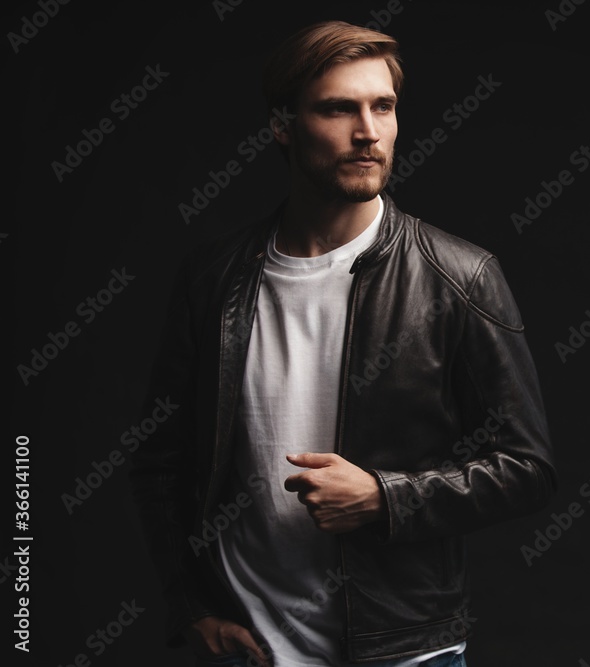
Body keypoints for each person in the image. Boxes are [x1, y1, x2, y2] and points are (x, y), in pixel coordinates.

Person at [128, 19, 556, 667]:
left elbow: (528, 469)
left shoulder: (458, 277)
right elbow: (161, 460)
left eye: (383, 106)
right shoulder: (213, 278)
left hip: (405, 650)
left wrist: (385, 497)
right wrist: (191, 604)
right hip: (254, 648)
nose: (368, 132)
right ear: (283, 125)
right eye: (338, 109)